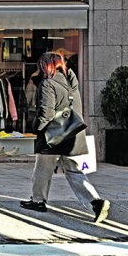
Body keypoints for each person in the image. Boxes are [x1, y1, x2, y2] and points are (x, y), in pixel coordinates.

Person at [20, 52, 110, 223]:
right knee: (74, 171)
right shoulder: (71, 82)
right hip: (72, 135)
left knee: (42, 170)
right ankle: (96, 202)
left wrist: (36, 128)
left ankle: (38, 201)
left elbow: (46, 114)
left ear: (45, 65)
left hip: (53, 136)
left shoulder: (48, 84)